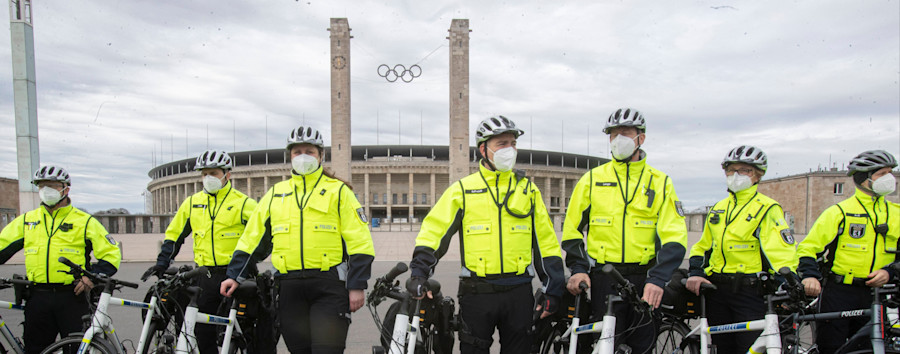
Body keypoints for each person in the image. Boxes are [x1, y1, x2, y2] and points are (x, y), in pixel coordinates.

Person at [408, 116, 565, 354]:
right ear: (484, 149)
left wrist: (553, 287)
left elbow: (546, 242)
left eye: (513, 143)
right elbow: (434, 232)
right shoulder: (462, 190)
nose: (510, 149)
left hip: (518, 292)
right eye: (502, 144)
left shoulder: (528, 190)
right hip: (477, 292)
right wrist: (420, 272)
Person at [220, 125, 374, 354]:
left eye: (309, 152)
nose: (303, 157)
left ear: (321, 155)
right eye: (297, 152)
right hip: (289, 288)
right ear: (289, 156)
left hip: (328, 286)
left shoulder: (339, 191)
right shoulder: (276, 193)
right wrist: (235, 274)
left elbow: (359, 239)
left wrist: (357, 285)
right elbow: (253, 237)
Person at [561, 108, 687, 353]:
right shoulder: (591, 179)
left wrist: (659, 278)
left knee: (643, 345)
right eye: (613, 134)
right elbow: (572, 230)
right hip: (605, 277)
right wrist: (578, 268)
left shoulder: (660, 182)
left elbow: (674, 235)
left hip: (646, 279)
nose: (619, 139)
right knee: (606, 345)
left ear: (641, 138)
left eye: (625, 133)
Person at [685, 145, 799, 353]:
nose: (736, 175)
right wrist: (696, 272)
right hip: (717, 291)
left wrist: (788, 281)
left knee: (749, 347)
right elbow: (702, 246)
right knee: (723, 347)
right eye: (731, 170)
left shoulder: (767, 208)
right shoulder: (719, 208)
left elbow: (780, 251)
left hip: (749, 291)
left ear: (758, 175)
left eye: (744, 171)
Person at [142, 150, 257, 354]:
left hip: (236, 275)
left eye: (213, 173)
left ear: (227, 175)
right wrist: (162, 263)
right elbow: (174, 235)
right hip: (205, 276)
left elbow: (259, 237)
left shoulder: (244, 203)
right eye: (204, 174)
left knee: (245, 332)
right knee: (202, 331)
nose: (208, 178)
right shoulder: (192, 203)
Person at [0, 165, 121, 354]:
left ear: (66, 189)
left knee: (75, 350)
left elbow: (111, 254)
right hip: (38, 296)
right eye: (42, 186)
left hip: (73, 296)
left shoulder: (84, 221)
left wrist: (92, 276)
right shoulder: (27, 221)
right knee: (35, 349)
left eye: (53, 186)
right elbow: (2, 248)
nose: (46, 190)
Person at [798, 149, 899, 354]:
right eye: (882, 174)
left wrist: (890, 272)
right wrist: (810, 276)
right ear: (864, 178)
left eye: (890, 172)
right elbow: (808, 247)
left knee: (870, 347)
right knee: (831, 347)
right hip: (839, 293)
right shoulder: (838, 212)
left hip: (877, 295)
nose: (889, 178)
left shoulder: (897, 214)